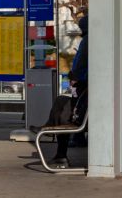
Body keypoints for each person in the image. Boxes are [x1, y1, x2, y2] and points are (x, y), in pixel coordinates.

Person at [51, 14, 89, 167]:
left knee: (64, 108)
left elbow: (80, 66)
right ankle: (72, 142)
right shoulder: (90, 40)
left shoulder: (87, 42)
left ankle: (61, 153)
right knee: (65, 104)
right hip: (84, 92)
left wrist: (76, 77)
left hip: (83, 91)